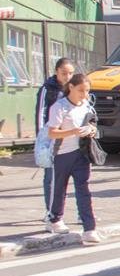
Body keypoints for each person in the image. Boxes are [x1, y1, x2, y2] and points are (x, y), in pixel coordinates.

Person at [46, 73, 101, 244]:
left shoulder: (87, 106)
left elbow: (94, 124)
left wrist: (91, 130)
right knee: (59, 188)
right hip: (62, 154)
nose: (84, 95)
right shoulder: (59, 106)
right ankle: (55, 218)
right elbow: (52, 132)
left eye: (87, 91)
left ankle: (89, 228)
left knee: (83, 189)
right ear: (71, 87)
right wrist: (73, 132)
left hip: (82, 153)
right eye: (81, 90)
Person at [35, 57, 75, 221]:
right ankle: (50, 212)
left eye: (70, 73)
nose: (67, 77)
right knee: (51, 176)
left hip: (71, 138)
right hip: (52, 137)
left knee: (77, 176)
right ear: (56, 72)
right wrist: (42, 139)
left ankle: (81, 214)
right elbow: (40, 113)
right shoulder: (48, 88)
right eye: (64, 73)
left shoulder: (74, 88)